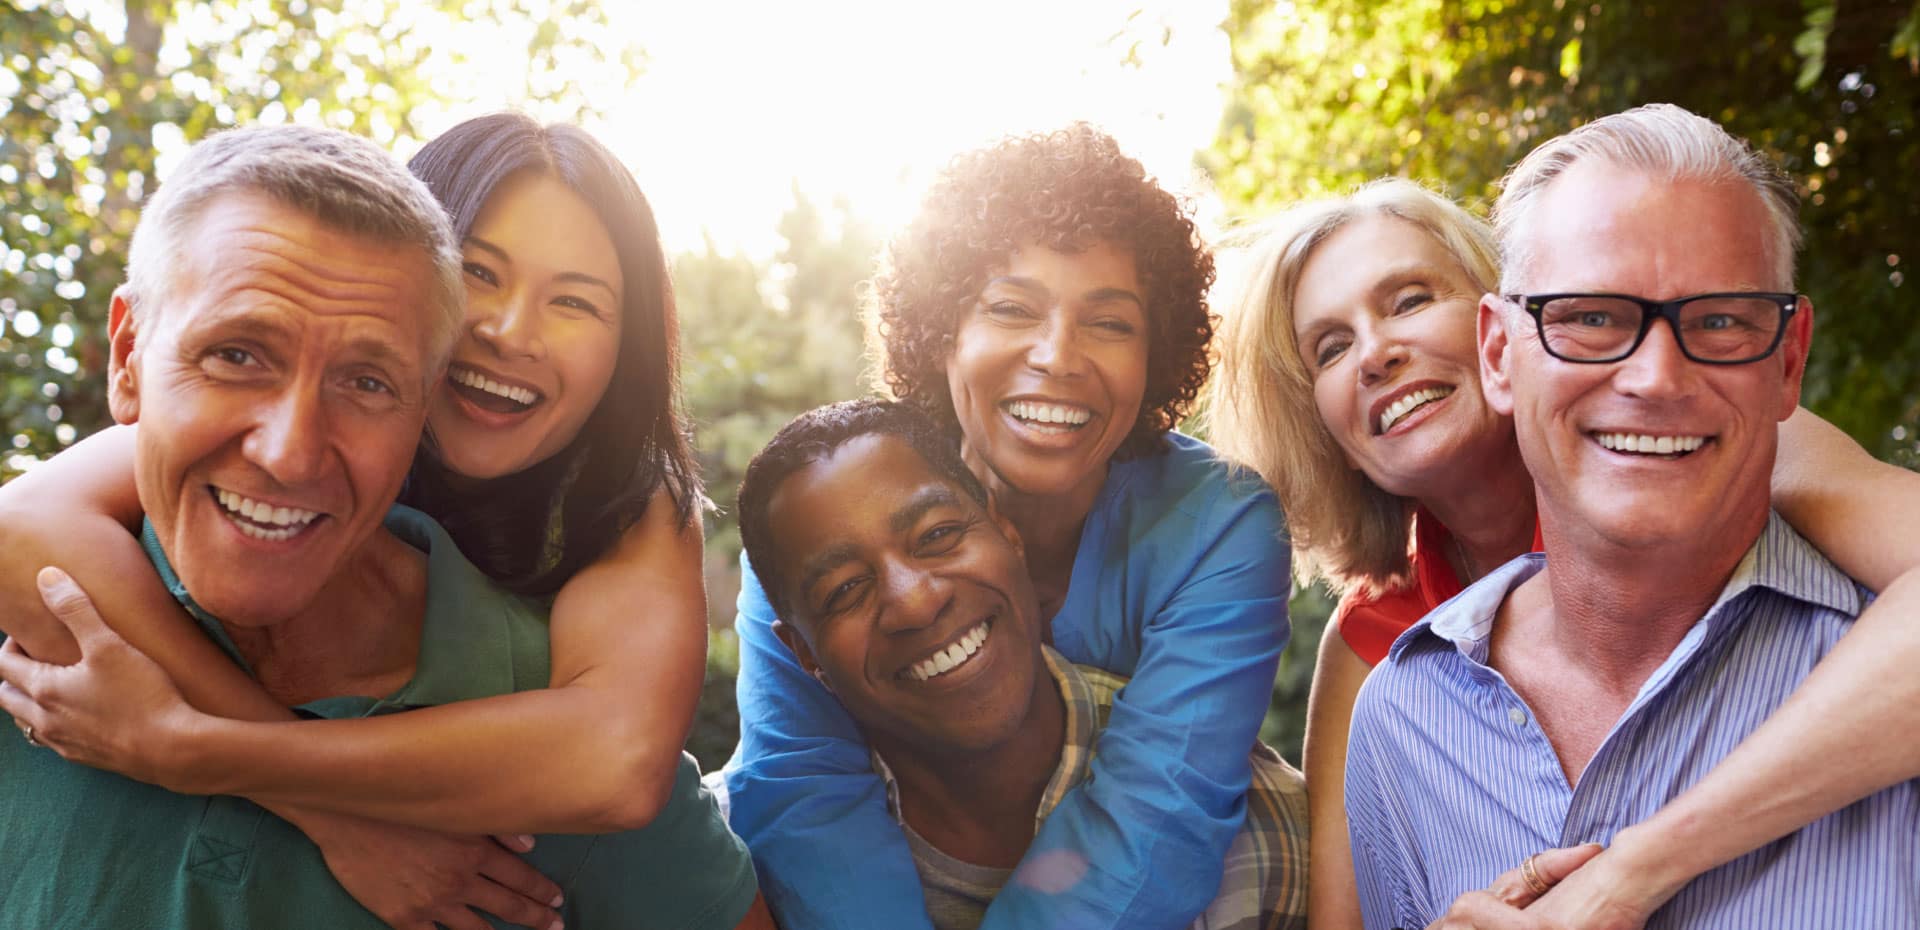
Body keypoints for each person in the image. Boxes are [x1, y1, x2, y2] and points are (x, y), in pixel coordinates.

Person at [0, 124, 765, 929]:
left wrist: (185, 747)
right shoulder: (160, 488)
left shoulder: (624, 509)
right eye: (478, 272)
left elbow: (616, 760)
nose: (509, 330)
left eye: (575, 300)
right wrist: (327, 812)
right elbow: (19, 528)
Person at [1209, 167, 1920, 927]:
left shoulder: (1700, 447)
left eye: (1410, 300)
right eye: (1330, 347)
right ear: (1327, 431)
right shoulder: (1374, 652)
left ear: (1505, 333)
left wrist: (1635, 870)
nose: (1375, 353)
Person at [722, 124, 1292, 929]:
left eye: (1110, 322)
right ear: (941, 333)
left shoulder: (1220, 526)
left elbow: (1160, 816)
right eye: (1012, 308)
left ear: (1155, 353)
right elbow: (802, 799)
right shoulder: (813, 533)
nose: (1057, 355)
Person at [730, 398, 1309, 930]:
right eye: (846, 589)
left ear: (1008, 532)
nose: (914, 599)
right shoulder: (731, 881)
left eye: (937, 535)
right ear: (805, 656)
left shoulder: (1264, 839)